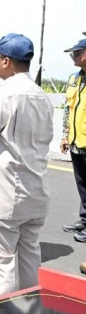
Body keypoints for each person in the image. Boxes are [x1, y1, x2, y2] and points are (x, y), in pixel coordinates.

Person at [0, 33, 54, 298]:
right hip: (36, 190)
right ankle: (30, 309)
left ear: (6, 61)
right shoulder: (42, 97)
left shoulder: (2, 95)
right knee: (29, 255)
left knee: (1, 262)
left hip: (3, 193)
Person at [60, 35, 86, 243]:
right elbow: (68, 109)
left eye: (77, 53)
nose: (73, 57)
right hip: (77, 142)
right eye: (72, 54)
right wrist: (65, 135)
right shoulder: (74, 78)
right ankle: (84, 220)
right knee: (82, 184)